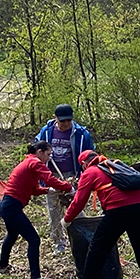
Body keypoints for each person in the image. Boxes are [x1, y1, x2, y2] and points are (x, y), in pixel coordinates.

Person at [63, 149, 140, 279]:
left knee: (98, 247)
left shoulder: (90, 172)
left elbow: (79, 201)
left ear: (85, 163)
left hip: (117, 210)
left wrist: (67, 219)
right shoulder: (116, 163)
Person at [0, 140, 71, 279]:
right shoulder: (35, 162)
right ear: (39, 152)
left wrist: (47, 190)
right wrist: (68, 187)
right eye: (48, 154)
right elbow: (49, 179)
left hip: (7, 205)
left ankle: (3, 267)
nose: (49, 158)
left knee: (12, 235)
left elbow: (33, 189)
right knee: (34, 240)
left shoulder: (28, 162)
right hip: (12, 206)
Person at [34, 105, 96, 256]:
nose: (66, 123)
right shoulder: (46, 132)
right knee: (54, 211)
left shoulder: (81, 134)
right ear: (55, 117)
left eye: (69, 120)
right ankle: (58, 243)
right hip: (51, 176)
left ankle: (85, 239)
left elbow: (91, 154)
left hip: (73, 176)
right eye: (62, 121)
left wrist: (85, 176)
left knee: (77, 208)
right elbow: (36, 149)